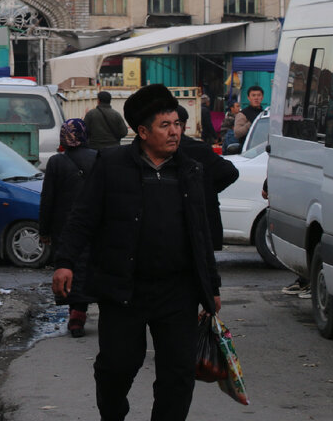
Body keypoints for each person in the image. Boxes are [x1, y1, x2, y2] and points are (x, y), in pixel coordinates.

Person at [53, 83, 222, 421]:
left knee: (178, 374)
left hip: (178, 291)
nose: (174, 132)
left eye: (177, 124)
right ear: (142, 132)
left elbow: (200, 232)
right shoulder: (112, 165)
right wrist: (65, 263)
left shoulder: (189, 168)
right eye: (165, 125)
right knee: (117, 367)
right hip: (124, 288)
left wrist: (211, 287)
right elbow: (82, 217)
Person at [40, 118, 98, 338]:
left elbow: (48, 199)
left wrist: (44, 230)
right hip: (92, 225)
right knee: (88, 266)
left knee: (68, 266)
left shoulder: (56, 162)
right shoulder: (98, 158)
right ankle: (80, 311)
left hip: (63, 225)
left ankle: (75, 312)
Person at [175, 104, 239, 250]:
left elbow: (230, 172)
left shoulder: (156, 152)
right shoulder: (198, 149)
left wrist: (208, 188)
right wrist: (209, 189)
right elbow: (230, 172)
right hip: (200, 225)